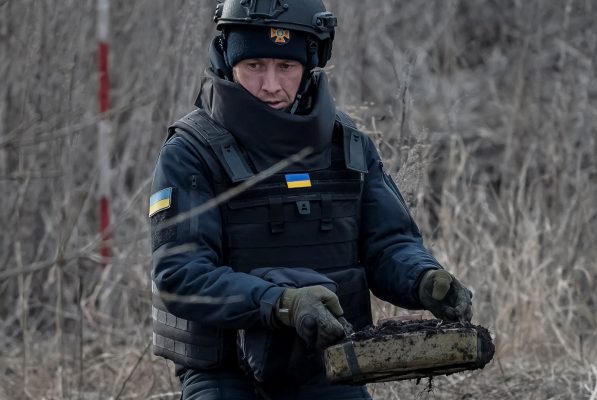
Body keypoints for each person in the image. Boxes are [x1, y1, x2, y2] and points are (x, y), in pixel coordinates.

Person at [149, 0, 473, 399]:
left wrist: (424, 279)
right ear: (229, 62)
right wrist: (281, 304)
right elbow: (180, 274)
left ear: (309, 65)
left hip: (328, 365)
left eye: (285, 67)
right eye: (255, 66)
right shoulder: (191, 151)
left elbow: (388, 244)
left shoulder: (347, 145)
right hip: (225, 374)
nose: (270, 84)